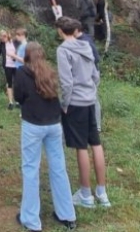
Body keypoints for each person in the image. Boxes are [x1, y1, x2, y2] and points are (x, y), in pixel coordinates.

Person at [14, 42, 77, 231]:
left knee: (31, 170)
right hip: (54, 125)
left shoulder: (22, 73)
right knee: (59, 168)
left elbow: (18, 97)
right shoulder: (50, 72)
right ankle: (67, 215)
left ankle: (31, 221)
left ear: (26, 55)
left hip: (33, 125)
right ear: (42, 55)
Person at [56, 17, 111, 209]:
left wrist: (65, 104)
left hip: (76, 104)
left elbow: (66, 82)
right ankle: (102, 194)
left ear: (61, 31)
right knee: (96, 143)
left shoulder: (63, 50)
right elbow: (96, 75)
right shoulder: (86, 46)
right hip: (90, 101)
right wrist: (90, 92)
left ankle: (86, 195)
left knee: (81, 147)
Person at [75, 24, 102, 132]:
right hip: (87, 73)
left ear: (76, 30)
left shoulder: (85, 41)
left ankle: (96, 126)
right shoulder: (82, 39)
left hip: (91, 73)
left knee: (93, 98)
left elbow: (95, 59)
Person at [0, 29, 18, 109]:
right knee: (9, 83)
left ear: (8, 35)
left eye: (4, 37)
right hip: (7, 66)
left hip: (16, 65)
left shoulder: (14, 42)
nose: (3, 39)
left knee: (17, 83)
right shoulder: (2, 44)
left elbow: (20, 51)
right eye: (1, 38)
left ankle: (18, 101)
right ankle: (10, 102)